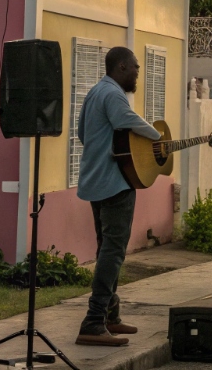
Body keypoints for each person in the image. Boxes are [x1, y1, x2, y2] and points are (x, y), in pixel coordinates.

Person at [75, 46, 161, 347]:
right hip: (114, 184)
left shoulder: (95, 91)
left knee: (106, 250)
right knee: (113, 252)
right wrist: (159, 136)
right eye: (136, 67)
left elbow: (83, 133)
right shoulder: (113, 95)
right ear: (122, 67)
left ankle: (111, 316)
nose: (138, 72)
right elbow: (129, 121)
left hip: (95, 182)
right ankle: (93, 322)